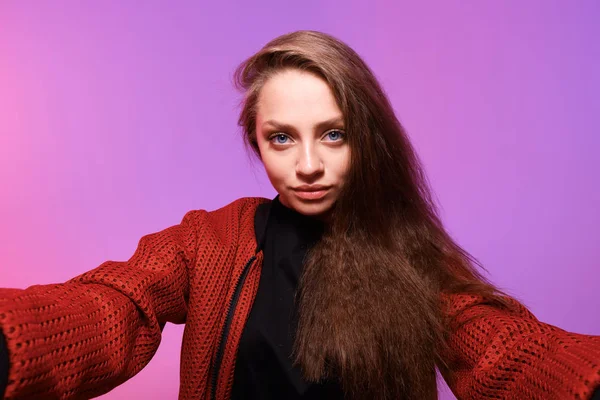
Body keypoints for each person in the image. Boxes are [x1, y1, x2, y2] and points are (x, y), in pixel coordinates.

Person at [0, 30, 598, 400]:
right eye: (281, 138)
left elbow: (506, 353)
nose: (307, 164)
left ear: (369, 138)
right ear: (256, 143)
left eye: (333, 134)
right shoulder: (208, 242)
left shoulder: (415, 259)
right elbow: (115, 305)